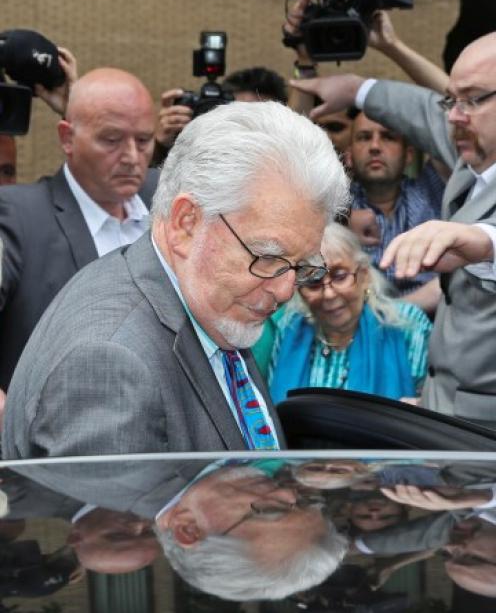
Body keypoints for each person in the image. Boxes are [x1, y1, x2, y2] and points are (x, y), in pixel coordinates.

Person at [1, 99, 348, 458]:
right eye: (268, 257)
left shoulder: (211, 301)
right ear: (187, 223)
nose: (285, 289)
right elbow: (110, 516)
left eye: (302, 266)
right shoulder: (111, 361)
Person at [290, 32, 496, 428]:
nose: (453, 115)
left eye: (472, 99)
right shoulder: (475, 157)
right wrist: (358, 89)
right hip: (449, 417)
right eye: (452, 101)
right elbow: (422, 112)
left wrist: (480, 241)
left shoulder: (446, 176)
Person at [0, 67, 158, 391]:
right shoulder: (18, 217)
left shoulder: (171, 201)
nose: (131, 157)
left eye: (144, 141)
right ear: (67, 139)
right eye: (111, 140)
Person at [256, 223, 430, 404]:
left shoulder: (407, 324)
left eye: (339, 276)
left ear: (364, 276)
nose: (329, 294)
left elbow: (432, 407)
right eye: (313, 282)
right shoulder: (289, 328)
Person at [154, 461, 349, 601]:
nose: (288, 493)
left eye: (271, 510)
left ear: (188, 529)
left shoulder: (134, 455)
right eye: (303, 503)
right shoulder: (302, 460)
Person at [347, 111, 445, 293]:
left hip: (430, 316)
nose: (375, 146)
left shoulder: (431, 190)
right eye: (364, 137)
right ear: (349, 156)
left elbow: (447, 130)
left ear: (408, 155)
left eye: (388, 137)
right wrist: (339, 221)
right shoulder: (335, 206)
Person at [153, 66, 287, 163]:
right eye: (237, 115)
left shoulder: (289, 169)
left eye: (257, 118)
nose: (246, 129)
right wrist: (160, 147)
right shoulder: (198, 160)